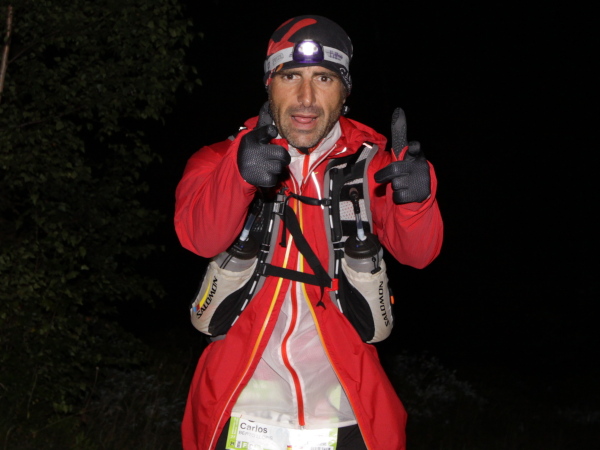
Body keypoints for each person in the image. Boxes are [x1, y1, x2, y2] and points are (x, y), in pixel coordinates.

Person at [174, 15, 443, 450]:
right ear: (269, 83)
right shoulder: (218, 159)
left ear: (345, 90)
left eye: (324, 78)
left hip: (346, 417)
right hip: (239, 412)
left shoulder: (375, 167)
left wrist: (417, 200)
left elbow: (419, 253)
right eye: (290, 76)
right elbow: (198, 237)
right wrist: (239, 176)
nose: (306, 98)